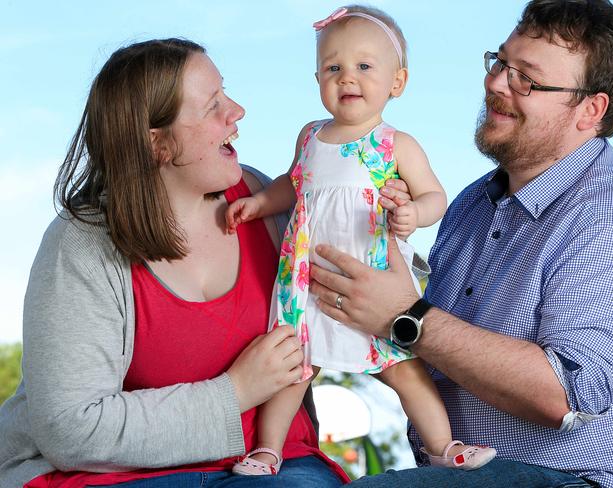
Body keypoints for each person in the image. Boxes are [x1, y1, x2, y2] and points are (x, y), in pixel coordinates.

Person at [309, 1, 613, 487]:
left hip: (575, 476)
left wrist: (405, 316)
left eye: (526, 78)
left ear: (591, 109)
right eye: (500, 63)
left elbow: (568, 396)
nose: (496, 84)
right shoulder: (471, 203)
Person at [0, 38, 351, 488]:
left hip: (268, 467)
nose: (237, 111)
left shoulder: (266, 204)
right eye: (212, 106)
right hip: (104, 476)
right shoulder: (81, 243)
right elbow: (72, 426)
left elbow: (347, 295)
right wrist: (236, 392)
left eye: (226, 93)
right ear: (157, 144)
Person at [225, 4, 496, 477]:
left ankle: (443, 445)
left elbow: (436, 196)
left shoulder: (394, 144)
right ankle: (268, 450)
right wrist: (260, 203)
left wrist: (413, 212)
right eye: (333, 67)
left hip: (374, 276)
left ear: (397, 82)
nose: (347, 78)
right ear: (317, 79)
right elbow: (295, 183)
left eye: (364, 67)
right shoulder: (310, 136)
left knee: (403, 369)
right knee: (293, 365)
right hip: (309, 278)